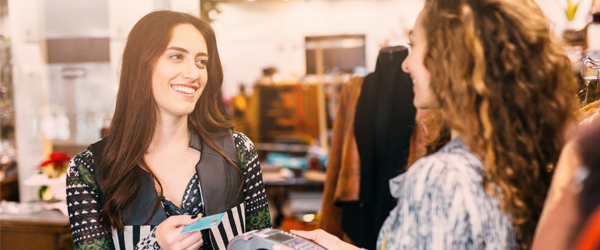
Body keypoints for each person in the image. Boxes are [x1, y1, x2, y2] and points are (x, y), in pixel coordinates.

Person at [293, 0, 577, 249]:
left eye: (415, 46)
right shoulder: (514, 161)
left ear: (450, 57)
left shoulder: (441, 177)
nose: (406, 64)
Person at [66, 11, 271, 250]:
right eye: (176, 56)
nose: (194, 73)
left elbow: (262, 242)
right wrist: (154, 245)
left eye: (201, 61)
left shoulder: (238, 150)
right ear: (142, 65)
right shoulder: (88, 170)